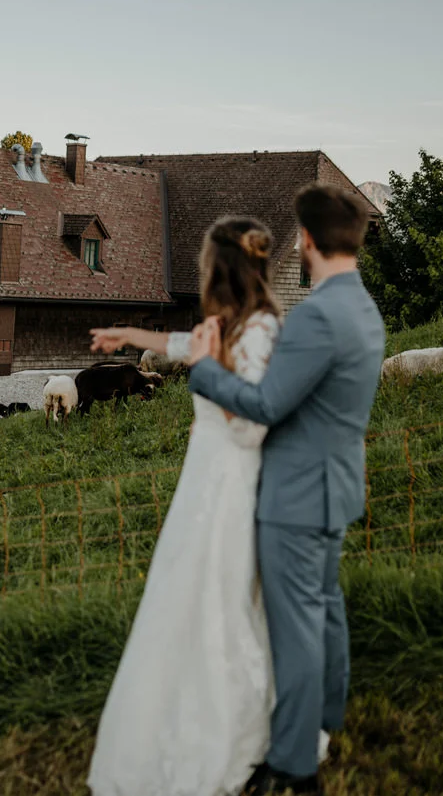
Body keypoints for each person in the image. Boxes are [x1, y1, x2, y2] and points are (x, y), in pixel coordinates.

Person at [85, 215, 329, 796]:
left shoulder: (263, 331)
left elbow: (247, 421)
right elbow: (189, 344)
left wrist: (204, 368)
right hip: (202, 483)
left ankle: (231, 735)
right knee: (182, 597)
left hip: (230, 487)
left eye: (203, 266)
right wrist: (130, 336)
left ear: (220, 271)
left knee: (219, 601)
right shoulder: (234, 322)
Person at [189, 185, 385, 795]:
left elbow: (267, 403)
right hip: (337, 486)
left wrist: (203, 372)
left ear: (306, 240)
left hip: (296, 497)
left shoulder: (319, 314)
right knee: (325, 612)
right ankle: (326, 718)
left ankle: (297, 764)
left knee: (296, 628)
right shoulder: (363, 308)